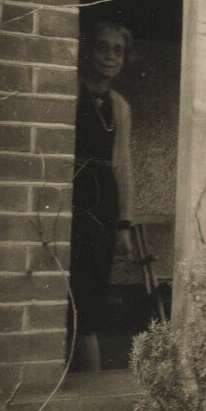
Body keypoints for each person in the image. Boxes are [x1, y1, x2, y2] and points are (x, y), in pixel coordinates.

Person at [69, 22, 135, 371]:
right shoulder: (71, 91)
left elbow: (122, 165)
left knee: (92, 295)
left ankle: (91, 381)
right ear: (86, 50)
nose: (109, 56)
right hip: (70, 201)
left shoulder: (119, 106)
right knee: (68, 292)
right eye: (101, 47)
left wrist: (124, 225)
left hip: (102, 208)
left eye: (117, 50)